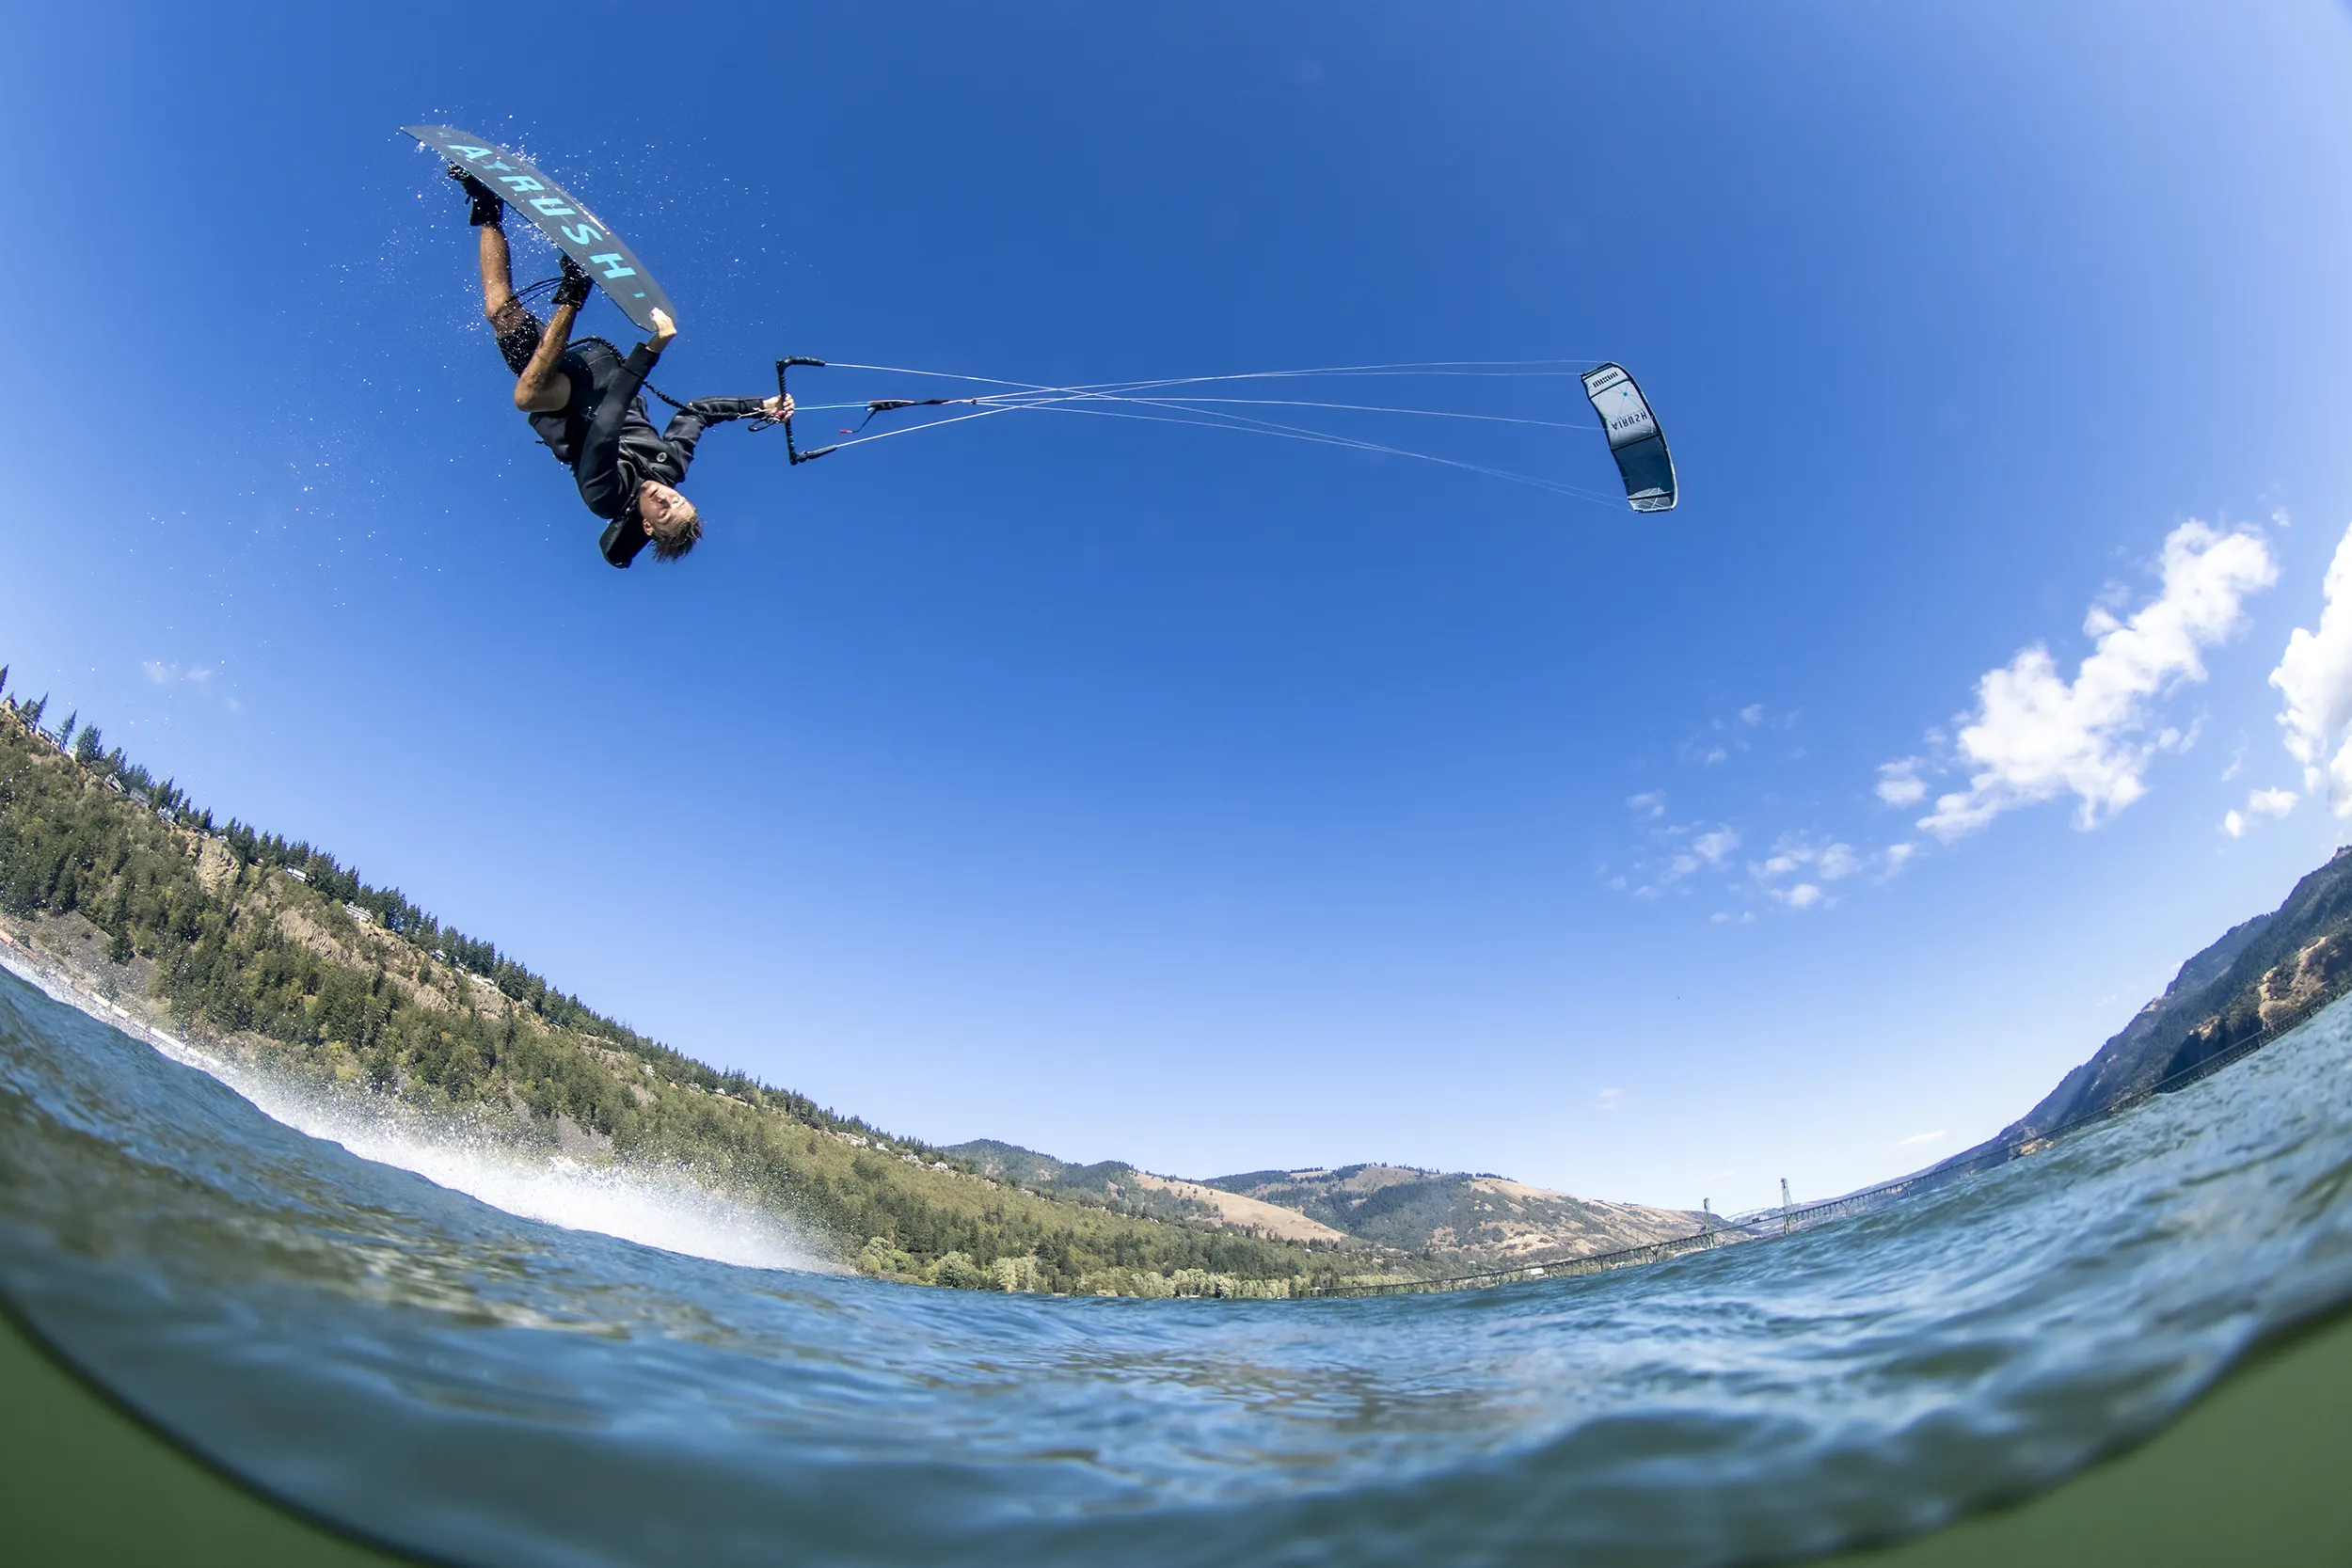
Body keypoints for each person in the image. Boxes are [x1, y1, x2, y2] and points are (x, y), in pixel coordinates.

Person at [450, 167, 790, 567]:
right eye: (677, 500)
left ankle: (488, 209)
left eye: (664, 512)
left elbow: (605, 427)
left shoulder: (604, 498)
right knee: (527, 396)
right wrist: (760, 406)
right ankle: (574, 289)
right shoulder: (670, 466)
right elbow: (697, 412)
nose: (665, 497)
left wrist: (652, 349)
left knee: (501, 313)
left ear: (648, 526)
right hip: (602, 373)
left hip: (565, 397)